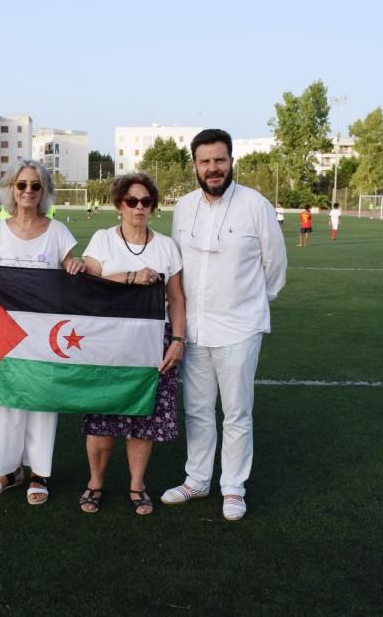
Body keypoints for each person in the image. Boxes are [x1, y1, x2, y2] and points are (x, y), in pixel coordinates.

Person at [163, 128, 287, 521]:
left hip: (239, 328)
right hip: (193, 328)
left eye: (220, 160)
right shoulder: (183, 207)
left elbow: (275, 265)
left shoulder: (256, 205)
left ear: (231, 161)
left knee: (236, 412)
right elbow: (176, 267)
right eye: (205, 161)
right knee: (197, 409)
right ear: (195, 165)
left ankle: (233, 487)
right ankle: (197, 479)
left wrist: (249, 307)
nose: (213, 168)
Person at [0, 160, 84, 506]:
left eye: (35, 186)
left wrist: (72, 265)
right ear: (11, 190)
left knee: (41, 404)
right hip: (4, 338)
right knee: (4, 403)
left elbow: (70, 273)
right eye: (22, 185)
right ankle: (7, 470)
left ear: (44, 192)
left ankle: (38, 474)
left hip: (45, 339)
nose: (28, 191)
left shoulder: (59, 232)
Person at [79, 172, 186, 516]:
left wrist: (179, 340)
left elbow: (177, 298)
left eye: (146, 201)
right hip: (108, 341)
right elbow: (88, 282)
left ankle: (136, 485)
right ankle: (95, 483)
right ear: (119, 205)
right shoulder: (102, 239)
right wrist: (131, 277)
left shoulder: (167, 246)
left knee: (143, 417)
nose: (139, 207)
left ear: (153, 206)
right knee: (102, 415)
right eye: (132, 201)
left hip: (154, 342)